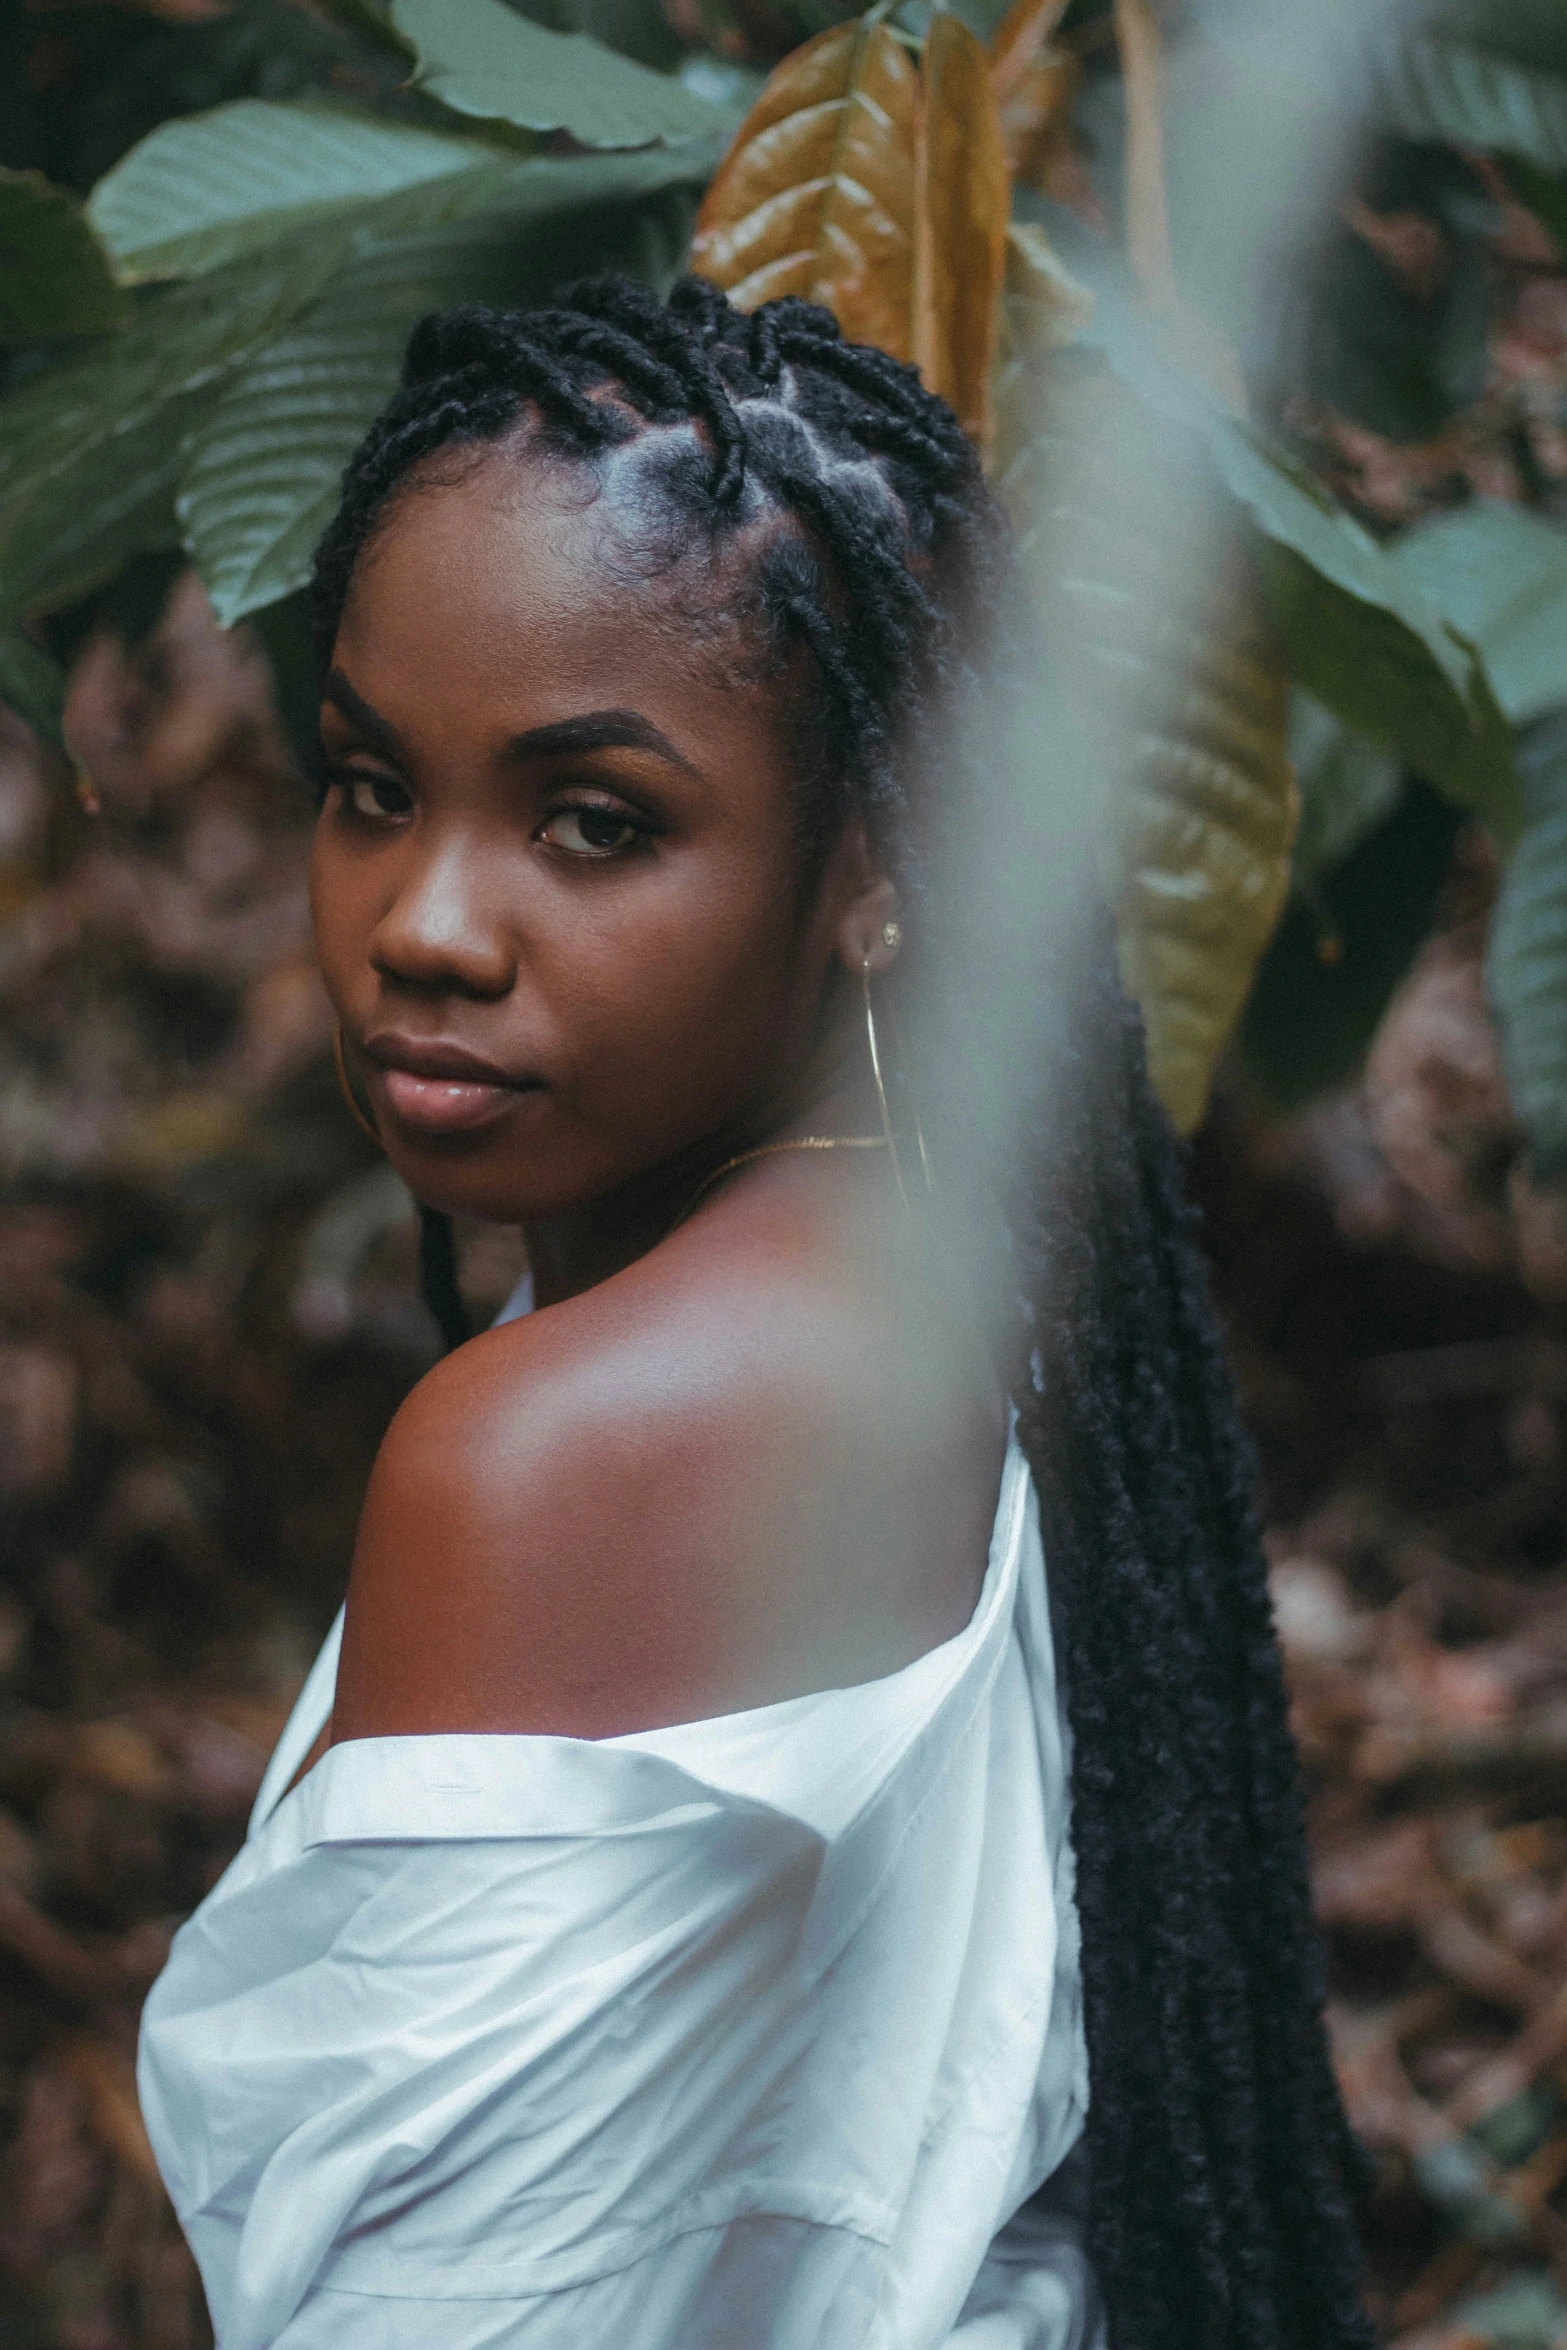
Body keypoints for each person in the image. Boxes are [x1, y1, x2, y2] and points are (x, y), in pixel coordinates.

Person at [137, 275, 1372, 2350]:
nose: (423, 928)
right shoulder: (971, 1287)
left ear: (875, 862)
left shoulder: (560, 1447)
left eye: (594, 819)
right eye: (368, 783)